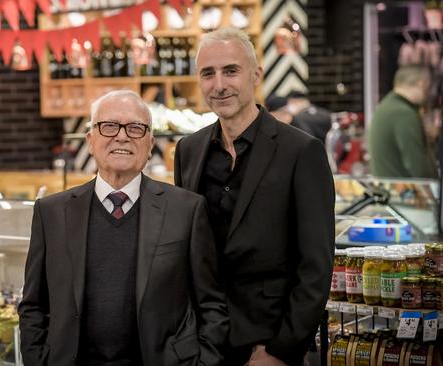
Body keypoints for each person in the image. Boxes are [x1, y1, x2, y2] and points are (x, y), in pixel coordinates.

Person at [19, 90, 228, 366]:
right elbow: (33, 306)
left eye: (136, 128)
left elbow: (211, 304)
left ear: (150, 142)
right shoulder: (52, 212)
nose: (122, 136)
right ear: (90, 141)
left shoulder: (186, 210)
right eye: (109, 126)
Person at [174, 27, 335, 366]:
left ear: (256, 75)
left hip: (271, 344)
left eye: (231, 71)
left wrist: (281, 350)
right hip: (205, 345)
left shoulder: (302, 151)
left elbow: (316, 267)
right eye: (208, 74)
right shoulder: (188, 150)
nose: (219, 85)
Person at [368, 65, 438, 178]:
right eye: (428, 87)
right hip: (408, 192)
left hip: (391, 189)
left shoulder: (387, 106)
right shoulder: (404, 113)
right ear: (422, 83)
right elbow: (418, 167)